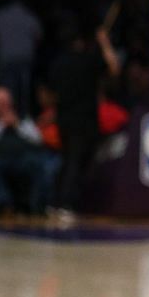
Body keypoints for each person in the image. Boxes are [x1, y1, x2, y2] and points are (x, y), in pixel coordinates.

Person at [44, 15, 120, 219]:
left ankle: (55, 202)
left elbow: (48, 94)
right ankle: (66, 204)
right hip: (84, 121)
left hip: (64, 120)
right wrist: (104, 42)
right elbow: (114, 68)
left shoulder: (58, 63)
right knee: (77, 163)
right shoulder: (89, 60)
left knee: (68, 160)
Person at [0, 86, 56, 215]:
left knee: (40, 164)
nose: (3, 106)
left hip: (23, 158)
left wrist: (17, 125)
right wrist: (0, 124)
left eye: (5, 102)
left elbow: (37, 139)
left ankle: (37, 206)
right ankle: (4, 205)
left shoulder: (22, 117)